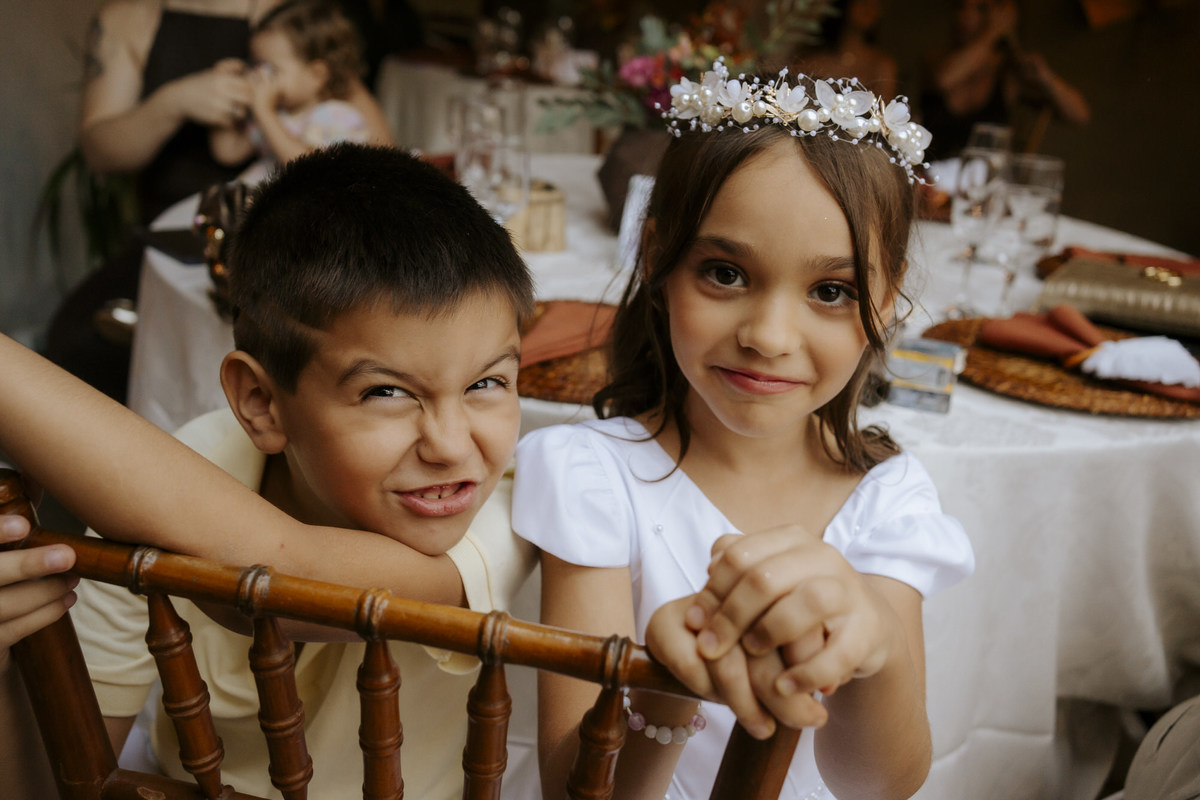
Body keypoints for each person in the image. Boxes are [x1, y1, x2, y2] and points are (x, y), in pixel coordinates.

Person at [1, 142, 536, 798]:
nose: (451, 447)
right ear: (261, 401)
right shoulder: (172, 476)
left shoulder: (509, 501)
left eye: (487, 382)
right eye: (386, 392)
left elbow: (279, 577)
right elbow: (61, 784)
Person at [511, 60, 975, 799]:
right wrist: (667, 689)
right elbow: (578, 790)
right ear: (657, 258)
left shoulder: (888, 500)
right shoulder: (589, 477)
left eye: (831, 291)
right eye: (726, 273)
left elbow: (880, 784)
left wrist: (876, 642)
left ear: (886, 300)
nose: (768, 336)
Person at [45, 0, 391, 404]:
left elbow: (378, 151)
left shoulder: (290, 20)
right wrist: (175, 102)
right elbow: (100, 153)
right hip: (175, 239)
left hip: (290, 234)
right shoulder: (127, 19)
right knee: (78, 348)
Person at [211, 0, 373, 171]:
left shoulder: (337, 117)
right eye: (256, 65)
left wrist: (265, 114)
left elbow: (310, 171)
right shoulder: (277, 115)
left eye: (272, 69)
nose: (261, 75)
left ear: (316, 75)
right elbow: (228, 153)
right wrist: (226, 90)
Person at [919, 0, 1090, 160]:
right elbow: (944, 79)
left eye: (981, 9)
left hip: (988, 176)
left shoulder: (1008, 72)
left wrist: (1046, 78)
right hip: (929, 174)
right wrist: (993, 32)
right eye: (960, 7)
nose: (966, 16)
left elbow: (1080, 115)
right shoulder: (935, 60)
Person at [794, 0, 899, 96]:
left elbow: (883, 105)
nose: (868, 9)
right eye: (863, 3)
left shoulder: (881, 66)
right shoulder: (813, 59)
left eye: (875, 6)